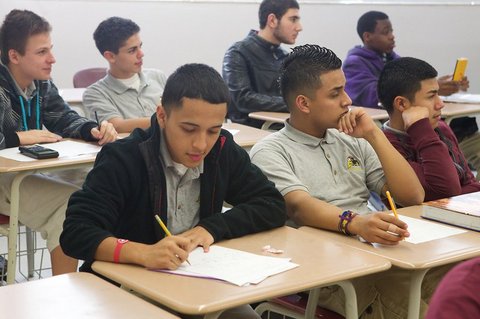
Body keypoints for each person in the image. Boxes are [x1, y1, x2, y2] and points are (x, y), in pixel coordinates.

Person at [60, 63, 286, 318]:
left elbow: (271, 204)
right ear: (162, 116)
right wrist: (144, 253)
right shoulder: (124, 158)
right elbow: (76, 233)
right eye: (188, 129)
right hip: (125, 289)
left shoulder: (222, 149)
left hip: (198, 284)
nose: (201, 144)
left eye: (213, 130)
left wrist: (211, 228)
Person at [250, 44, 430, 318]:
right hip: (324, 269)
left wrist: (374, 134)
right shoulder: (272, 150)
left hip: (374, 252)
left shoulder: (350, 139)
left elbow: (413, 196)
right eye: (335, 94)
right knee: (423, 302)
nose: (348, 100)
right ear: (303, 103)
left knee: (455, 280)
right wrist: (354, 222)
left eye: (344, 89)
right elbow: (298, 206)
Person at [0, 9, 117, 275]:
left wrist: (92, 130)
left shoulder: (41, 83)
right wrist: (16, 138)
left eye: (50, 50)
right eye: (42, 52)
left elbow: (63, 117)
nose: (52, 59)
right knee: (70, 202)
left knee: (98, 182)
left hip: (23, 172)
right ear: (14, 56)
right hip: (3, 178)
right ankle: (65, 295)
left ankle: (100, 277)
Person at [378, 57, 480, 201]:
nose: (440, 104)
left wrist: (457, 193)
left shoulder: (441, 128)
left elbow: (472, 185)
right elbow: (444, 191)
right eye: (431, 96)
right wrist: (420, 129)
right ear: (401, 104)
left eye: (438, 94)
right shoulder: (387, 147)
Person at [343, 10, 469, 109]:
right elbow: (374, 97)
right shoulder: (354, 63)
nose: (392, 36)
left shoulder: (392, 58)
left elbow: (413, 81)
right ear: (367, 36)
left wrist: (442, 84)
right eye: (385, 32)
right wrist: (431, 89)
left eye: (391, 31)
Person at [222, 0, 302, 128]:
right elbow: (243, 99)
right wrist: (295, 103)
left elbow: (297, 94)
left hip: (285, 128)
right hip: (254, 131)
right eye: (293, 19)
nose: (299, 27)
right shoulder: (238, 52)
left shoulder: (287, 57)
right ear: (272, 20)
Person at [83, 16, 167, 133]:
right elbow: (116, 126)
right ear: (110, 56)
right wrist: (170, 119)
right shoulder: (95, 93)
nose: (141, 54)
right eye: (132, 50)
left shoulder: (158, 77)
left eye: (140, 47)